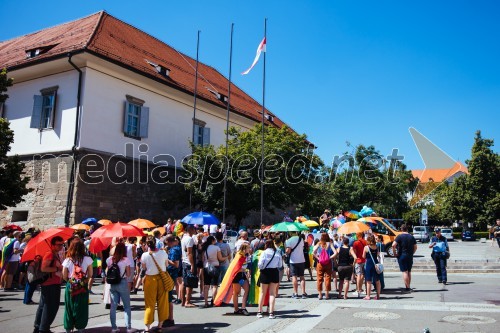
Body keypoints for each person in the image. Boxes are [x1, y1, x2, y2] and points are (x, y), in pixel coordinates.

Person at [33, 236, 64, 333]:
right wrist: (57, 269)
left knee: (44, 306)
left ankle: (39, 327)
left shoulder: (55, 254)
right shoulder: (49, 254)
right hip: (50, 283)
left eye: (62, 244)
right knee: (50, 306)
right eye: (59, 245)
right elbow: (44, 268)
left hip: (52, 283)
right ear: (53, 245)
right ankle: (43, 329)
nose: (61, 246)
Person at [62, 240, 93, 333]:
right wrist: (84, 281)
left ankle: (68, 327)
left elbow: (64, 275)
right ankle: (80, 328)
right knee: (81, 307)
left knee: (69, 307)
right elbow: (90, 274)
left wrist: (70, 281)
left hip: (71, 285)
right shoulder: (88, 259)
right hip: (82, 286)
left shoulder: (67, 260)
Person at [141, 236, 169, 332]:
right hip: (162, 278)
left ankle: (147, 326)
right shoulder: (163, 253)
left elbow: (144, 268)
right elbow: (166, 265)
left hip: (150, 279)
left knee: (149, 303)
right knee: (162, 302)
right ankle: (160, 325)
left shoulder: (144, 255)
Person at [105, 242, 134, 333]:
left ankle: (114, 327)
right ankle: (128, 327)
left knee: (113, 306)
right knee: (127, 306)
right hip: (122, 282)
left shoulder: (109, 259)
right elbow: (129, 274)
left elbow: (107, 271)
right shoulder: (126, 260)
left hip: (112, 284)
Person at [257, 240, 282, 319]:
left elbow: (260, 264)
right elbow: (280, 265)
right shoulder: (277, 253)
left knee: (262, 293)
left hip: (265, 272)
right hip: (274, 272)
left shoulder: (264, 253)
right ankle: (271, 312)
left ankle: (259, 311)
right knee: (272, 293)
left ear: (266, 245)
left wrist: (262, 267)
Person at [201, 235, 227, 308]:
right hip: (215, 266)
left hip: (206, 267)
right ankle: (214, 301)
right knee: (214, 285)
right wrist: (227, 257)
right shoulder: (216, 248)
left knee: (206, 285)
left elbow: (202, 259)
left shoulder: (205, 248)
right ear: (212, 241)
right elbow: (220, 258)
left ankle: (206, 302)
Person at [392, 225, 417, 291]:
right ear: (407, 229)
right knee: (409, 271)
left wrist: (394, 253)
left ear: (401, 229)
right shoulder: (411, 237)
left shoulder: (399, 236)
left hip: (402, 255)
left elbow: (393, 245)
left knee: (404, 272)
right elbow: (415, 247)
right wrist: (412, 253)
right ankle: (408, 286)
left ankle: (407, 287)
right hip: (409, 256)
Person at [312, 233, 335, 300]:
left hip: (320, 263)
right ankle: (327, 295)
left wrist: (318, 258)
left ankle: (320, 295)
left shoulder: (319, 243)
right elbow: (336, 252)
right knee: (328, 278)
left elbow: (313, 252)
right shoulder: (329, 243)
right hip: (328, 263)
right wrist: (330, 257)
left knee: (319, 278)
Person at [285, 232, 307, 299]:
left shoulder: (289, 240)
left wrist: (286, 250)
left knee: (294, 277)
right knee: (302, 277)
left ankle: (296, 293)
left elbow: (288, 251)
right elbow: (302, 248)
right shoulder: (301, 239)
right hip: (301, 259)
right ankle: (303, 293)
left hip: (293, 261)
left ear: (290, 233)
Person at [165, 235, 180, 327]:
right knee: (168, 297)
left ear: (170, 242)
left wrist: (166, 259)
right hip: (171, 273)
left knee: (169, 298)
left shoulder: (174, 250)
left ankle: (170, 318)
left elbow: (176, 264)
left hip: (171, 273)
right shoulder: (174, 248)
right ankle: (169, 318)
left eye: (167, 243)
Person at [231, 243, 250, 316]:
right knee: (236, 292)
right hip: (237, 276)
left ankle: (243, 307)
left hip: (242, 275)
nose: (249, 249)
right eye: (248, 248)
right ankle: (236, 309)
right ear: (244, 249)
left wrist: (246, 270)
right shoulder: (238, 255)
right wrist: (245, 270)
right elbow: (236, 268)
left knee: (247, 289)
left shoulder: (246, 255)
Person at [181, 225, 197, 308]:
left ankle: (183, 301)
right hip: (188, 262)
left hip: (184, 261)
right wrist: (192, 264)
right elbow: (189, 253)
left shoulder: (183, 238)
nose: (195, 230)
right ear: (191, 230)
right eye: (194, 229)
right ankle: (187, 301)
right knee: (189, 283)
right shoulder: (190, 239)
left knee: (184, 282)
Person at [362, 235, 381, 300]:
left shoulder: (366, 247)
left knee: (368, 281)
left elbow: (364, 256)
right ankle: (378, 295)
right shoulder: (376, 246)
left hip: (369, 264)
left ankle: (368, 295)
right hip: (376, 264)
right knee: (377, 280)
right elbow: (378, 255)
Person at [352, 232, 367, 297]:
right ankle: (361, 288)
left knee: (358, 275)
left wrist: (354, 261)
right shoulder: (366, 242)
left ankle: (358, 290)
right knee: (363, 275)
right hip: (365, 260)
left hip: (358, 260)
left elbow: (355, 253)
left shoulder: (356, 243)